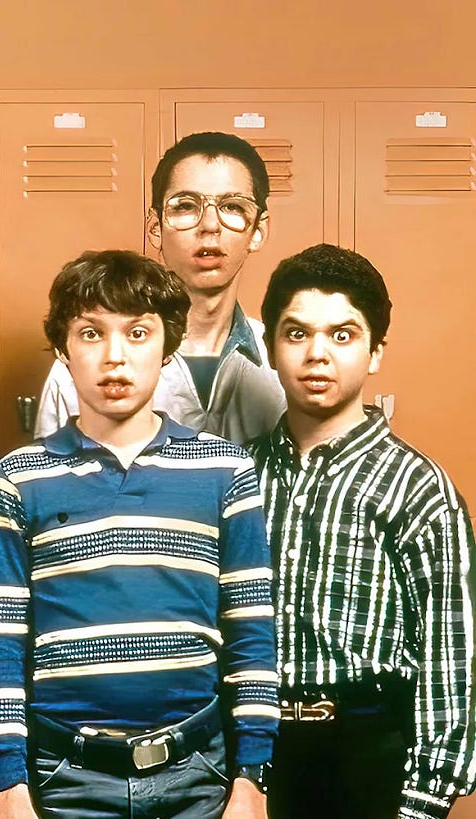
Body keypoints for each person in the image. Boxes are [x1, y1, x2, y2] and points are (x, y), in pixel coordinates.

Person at [0, 250, 279, 819]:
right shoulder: (18, 480)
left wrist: (252, 780)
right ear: (63, 349)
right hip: (67, 779)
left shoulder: (225, 472)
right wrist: (8, 790)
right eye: (91, 333)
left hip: (199, 774)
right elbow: (0, 645)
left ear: (169, 349)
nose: (115, 357)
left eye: (138, 333)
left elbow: (251, 634)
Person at [245, 244, 476, 819]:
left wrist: (423, 801)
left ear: (375, 352)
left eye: (342, 336)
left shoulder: (416, 486)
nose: (317, 355)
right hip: (255, 755)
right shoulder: (237, 476)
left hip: (369, 753)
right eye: (296, 334)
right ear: (271, 346)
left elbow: (452, 654)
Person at [35, 132, 284, 444]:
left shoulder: (286, 360)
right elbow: (45, 480)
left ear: (258, 231)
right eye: (185, 206)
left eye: (232, 206)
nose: (210, 225)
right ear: (155, 228)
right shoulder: (87, 364)